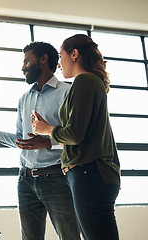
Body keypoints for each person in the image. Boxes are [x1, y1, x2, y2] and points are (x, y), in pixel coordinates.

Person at [0, 42, 81, 240]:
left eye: (26, 61)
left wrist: (47, 142)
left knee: (70, 237)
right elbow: (20, 140)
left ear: (43, 59)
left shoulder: (67, 93)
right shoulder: (24, 99)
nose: (23, 67)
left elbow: (75, 138)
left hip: (57, 178)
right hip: (25, 181)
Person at [32, 34, 120, 240]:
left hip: (89, 174)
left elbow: (74, 134)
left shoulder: (84, 81)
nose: (59, 64)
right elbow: (79, 133)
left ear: (74, 54)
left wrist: (46, 129)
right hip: (93, 175)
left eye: (61, 56)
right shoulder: (90, 82)